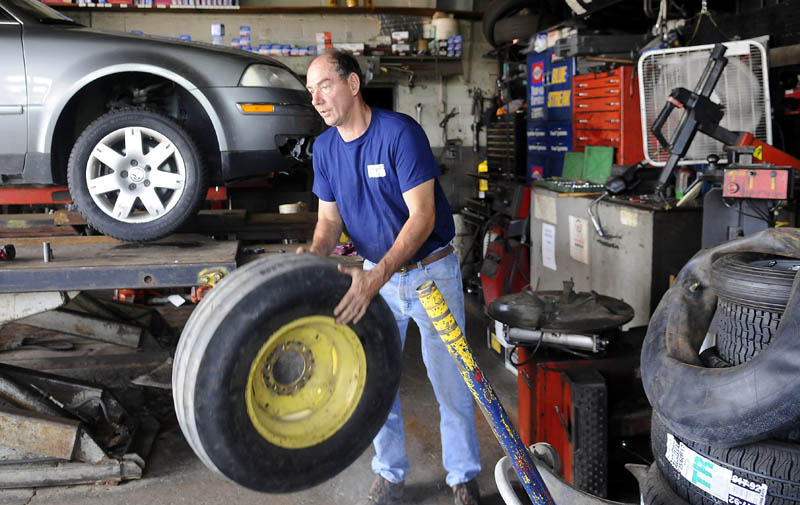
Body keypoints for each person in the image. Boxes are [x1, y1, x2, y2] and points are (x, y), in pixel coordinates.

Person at [298, 50, 481, 505]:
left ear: (353, 84)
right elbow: (328, 222)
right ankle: (391, 473)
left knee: (450, 382)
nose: (316, 99)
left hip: (428, 274)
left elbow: (422, 217)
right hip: (375, 281)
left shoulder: (400, 133)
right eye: (310, 91)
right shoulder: (324, 149)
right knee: (375, 384)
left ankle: (462, 475)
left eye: (324, 85)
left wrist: (374, 277)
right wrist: (314, 254)